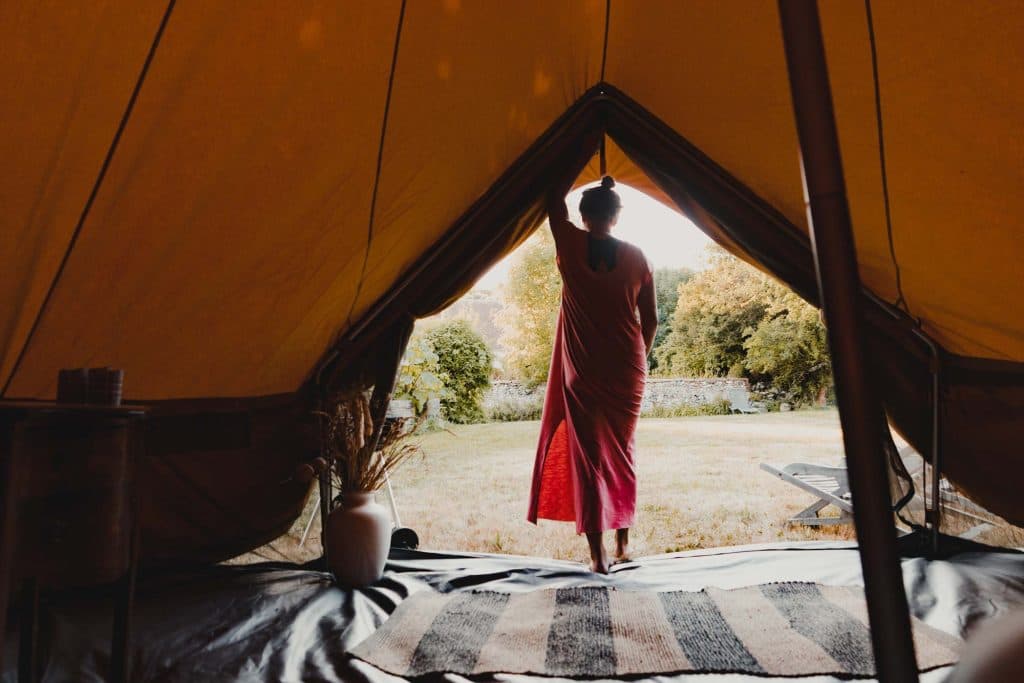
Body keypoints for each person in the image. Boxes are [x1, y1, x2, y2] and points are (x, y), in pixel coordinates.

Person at [527, 174, 658, 574]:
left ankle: (598, 555)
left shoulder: (569, 244)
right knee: (622, 452)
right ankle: (623, 544)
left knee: (590, 460)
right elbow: (650, 320)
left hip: (583, 369)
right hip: (627, 369)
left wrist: (578, 155)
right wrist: (638, 358)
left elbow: (553, 198)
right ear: (616, 217)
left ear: (583, 215)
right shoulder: (638, 257)